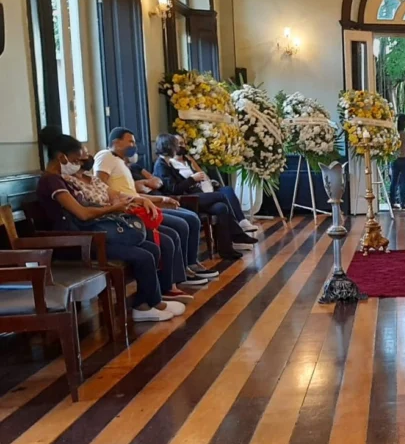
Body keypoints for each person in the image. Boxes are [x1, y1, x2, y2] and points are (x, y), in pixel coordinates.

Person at [35, 127, 185, 322]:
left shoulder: (62, 179)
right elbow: (82, 213)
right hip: (74, 242)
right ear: (62, 157)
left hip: (87, 235)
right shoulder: (51, 182)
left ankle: (152, 302)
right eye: (76, 160)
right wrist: (113, 209)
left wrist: (121, 204)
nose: (79, 164)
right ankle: (143, 307)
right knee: (143, 255)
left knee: (150, 247)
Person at [95, 129, 220, 286]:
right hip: (129, 210)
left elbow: (133, 192)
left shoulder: (122, 163)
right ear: (116, 142)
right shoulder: (105, 156)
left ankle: (190, 264)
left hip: (140, 204)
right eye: (130, 142)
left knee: (191, 218)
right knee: (181, 224)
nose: (134, 145)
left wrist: (161, 198)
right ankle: (181, 275)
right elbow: (101, 187)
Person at [153, 133, 259, 258]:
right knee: (221, 196)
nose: (178, 147)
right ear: (169, 146)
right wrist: (192, 179)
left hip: (190, 196)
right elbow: (174, 189)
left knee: (221, 208)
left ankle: (226, 250)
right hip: (181, 200)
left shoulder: (168, 163)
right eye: (176, 145)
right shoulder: (161, 165)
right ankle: (237, 233)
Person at [390, 115, 405, 209]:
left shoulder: (393, 133)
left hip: (395, 159)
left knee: (394, 181)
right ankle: (403, 203)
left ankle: (392, 202)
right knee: (404, 181)